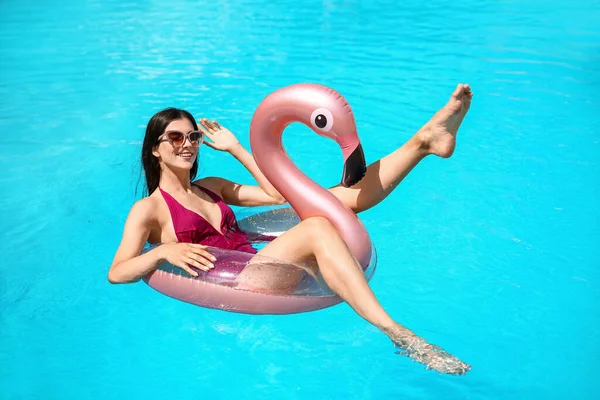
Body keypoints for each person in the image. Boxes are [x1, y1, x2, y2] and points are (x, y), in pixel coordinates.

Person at [108, 84, 474, 375]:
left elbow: (273, 192)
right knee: (317, 224)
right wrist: (161, 251)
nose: (187, 145)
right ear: (155, 149)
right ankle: (399, 334)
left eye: (193, 137)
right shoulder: (149, 210)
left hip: (257, 262)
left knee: (336, 199)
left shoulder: (213, 186)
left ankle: (423, 142)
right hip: (243, 282)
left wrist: (237, 148)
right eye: (175, 138)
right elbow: (117, 271)